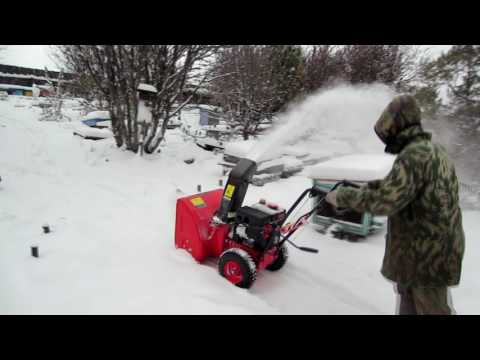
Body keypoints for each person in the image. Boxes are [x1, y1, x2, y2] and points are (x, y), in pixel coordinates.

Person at [325, 94, 465, 315]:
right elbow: (405, 189)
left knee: (432, 310)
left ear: (396, 125)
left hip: (425, 257)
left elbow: (386, 201)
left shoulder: (414, 155)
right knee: (410, 304)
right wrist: (368, 189)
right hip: (432, 251)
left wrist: (343, 197)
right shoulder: (435, 151)